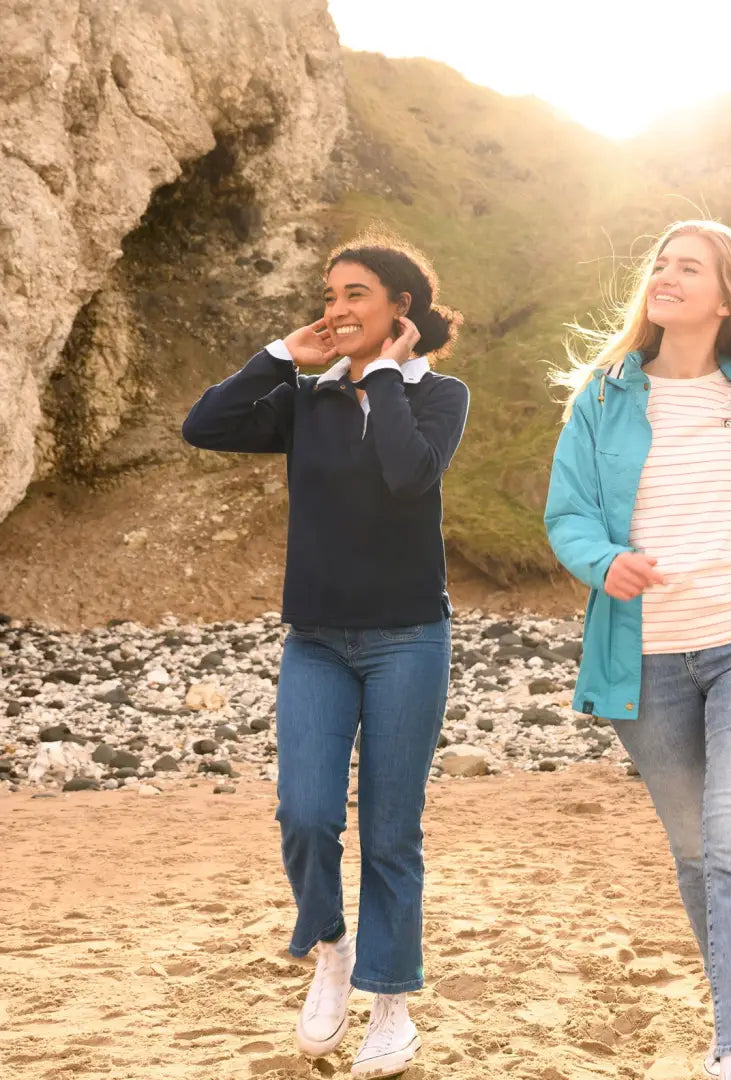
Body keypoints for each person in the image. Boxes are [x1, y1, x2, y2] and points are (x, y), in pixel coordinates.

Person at [544, 220, 731, 1079]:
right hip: (648, 661)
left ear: (725, 295)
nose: (665, 275)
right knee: (698, 851)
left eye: (688, 267)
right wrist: (605, 563)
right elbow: (568, 515)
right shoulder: (601, 395)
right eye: (661, 264)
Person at [181, 231, 469, 1079]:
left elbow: (407, 477)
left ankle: (391, 1003)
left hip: (409, 637)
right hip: (315, 640)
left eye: (354, 295)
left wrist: (377, 376)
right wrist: (280, 357)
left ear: (399, 309)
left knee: (390, 830)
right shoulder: (307, 400)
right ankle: (331, 950)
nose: (335, 309)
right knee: (305, 813)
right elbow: (206, 426)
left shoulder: (438, 396)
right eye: (329, 294)